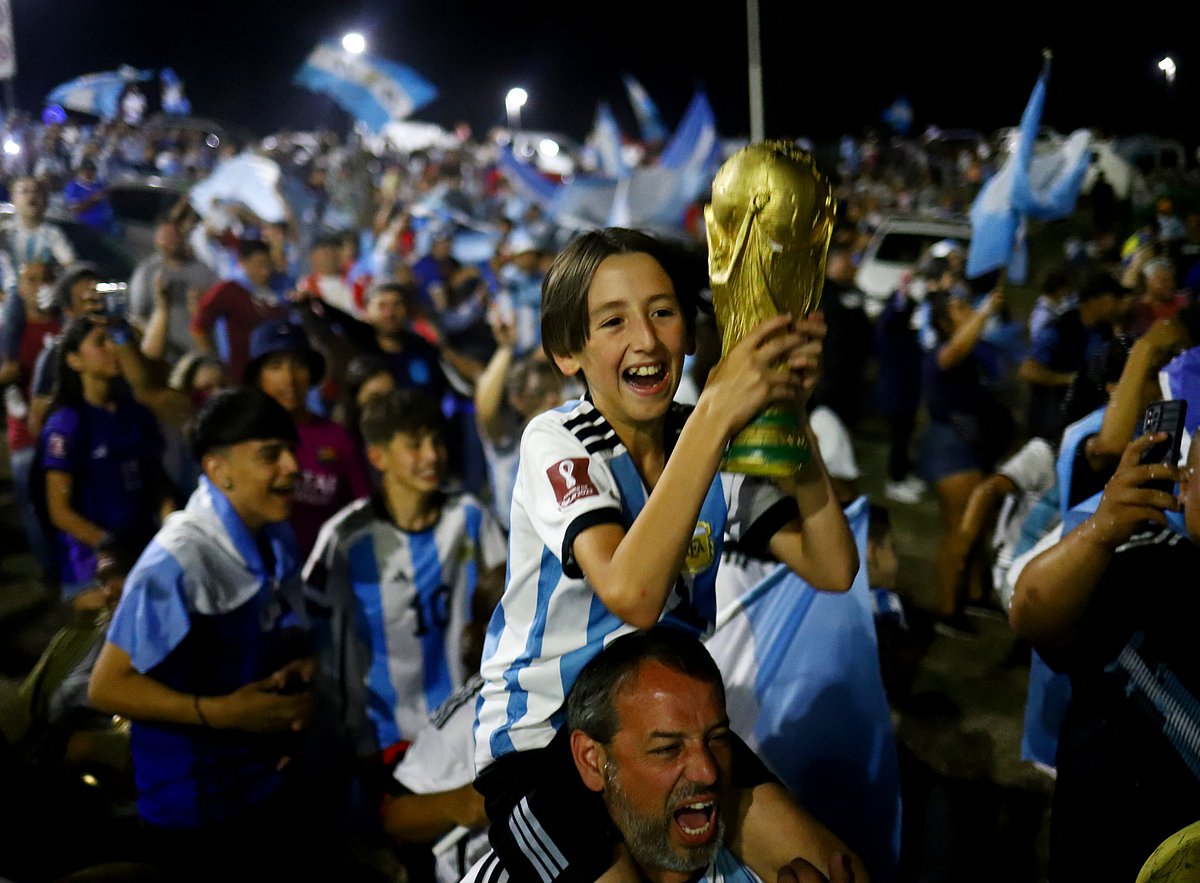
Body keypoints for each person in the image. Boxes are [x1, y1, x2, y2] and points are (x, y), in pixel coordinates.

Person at [473, 228, 859, 882]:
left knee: (831, 867)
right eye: (613, 321)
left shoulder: (706, 436)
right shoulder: (557, 439)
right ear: (568, 352)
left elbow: (833, 566)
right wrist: (714, 413)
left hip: (667, 725)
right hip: (542, 742)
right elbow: (633, 592)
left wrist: (791, 419)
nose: (647, 340)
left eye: (663, 311)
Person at [87, 387, 322, 882]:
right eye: (270, 455)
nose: (292, 467)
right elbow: (107, 685)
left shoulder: (274, 533)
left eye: (291, 451)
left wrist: (299, 665)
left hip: (260, 783)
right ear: (218, 469)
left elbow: (273, 632)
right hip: (192, 804)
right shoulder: (178, 559)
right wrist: (222, 714)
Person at [463, 629, 858, 883]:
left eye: (718, 738)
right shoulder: (522, 873)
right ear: (591, 760)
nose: (706, 771)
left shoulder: (767, 863)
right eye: (667, 749)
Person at [1010, 431, 1200, 882]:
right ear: (1185, 487)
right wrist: (1100, 531)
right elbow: (1031, 613)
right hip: (1093, 852)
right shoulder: (1146, 563)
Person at [303, 389, 506, 778]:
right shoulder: (344, 540)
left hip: (469, 726)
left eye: (436, 441)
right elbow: (317, 641)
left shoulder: (469, 517)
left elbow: (508, 601)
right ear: (378, 457)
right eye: (414, 445)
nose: (432, 455)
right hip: (384, 737)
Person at [38, 317, 170, 598]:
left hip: (146, 545)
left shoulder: (134, 413)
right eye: (100, 342)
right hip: (94, 562)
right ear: (75, 361)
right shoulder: (67, 424)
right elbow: (59, 511)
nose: (112, 348)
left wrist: (171, 532)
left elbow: (158, 480)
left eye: (113, 339)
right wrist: (108, 544)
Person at [918, 288, 1013, 637]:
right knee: (960, 529)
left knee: (978, 526)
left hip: (974, 446)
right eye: (959, 308)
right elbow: (955, 351)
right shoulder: (941, 354)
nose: (969, 310)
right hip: (952, 449)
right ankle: (947, 611)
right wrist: (985, 311)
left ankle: (974, 594)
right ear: (943, 322)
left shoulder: (974, 350)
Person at [245, 319, 370, 559]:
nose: (289, 378)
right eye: (275, 366)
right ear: (257, 375)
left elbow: (362, 511)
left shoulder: (338, 438)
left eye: (299, 365)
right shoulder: (244, 439)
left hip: (329, 576)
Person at [474, 310, 564, 528]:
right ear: (517, 399)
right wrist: (505, 349)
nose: (553, 400)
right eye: (541, 393)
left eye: (555, 392)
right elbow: (485, 408)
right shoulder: (507, 437)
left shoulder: (563, 425)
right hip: (516, 538)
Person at [190, 239, 290, 382]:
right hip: (242, 375)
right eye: (259, 265)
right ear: (243, 263)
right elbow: (199, 327)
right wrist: (215, 364)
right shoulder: (229, 290)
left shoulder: (282, 287)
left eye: (268, 264)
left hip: (279, 375)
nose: (265, 271)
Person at [127, 219, 217, 362]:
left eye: (174, 236)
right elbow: (137, 316)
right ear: (157, 241)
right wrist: (155, 339)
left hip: (205, 349)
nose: (171, 241)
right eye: (166, 237)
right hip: (169, 355)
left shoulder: (201, 268)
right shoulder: (147, 272)